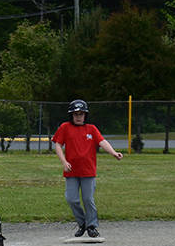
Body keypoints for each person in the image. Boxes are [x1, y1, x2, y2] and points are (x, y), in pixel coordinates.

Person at [52, 99, 122, 238]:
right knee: (71, 199)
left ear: (85, 115)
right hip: (71, 171)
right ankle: (82, 222)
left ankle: (91, 226)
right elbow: (58, 145)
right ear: (71, 115)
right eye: (76, 114)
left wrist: (113, 152)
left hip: (88, 170)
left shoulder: (91, 129)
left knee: (88, 199)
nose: (78, 117)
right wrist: (64, 162)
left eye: (81, 114)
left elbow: (102, 142)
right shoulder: (65, 127)